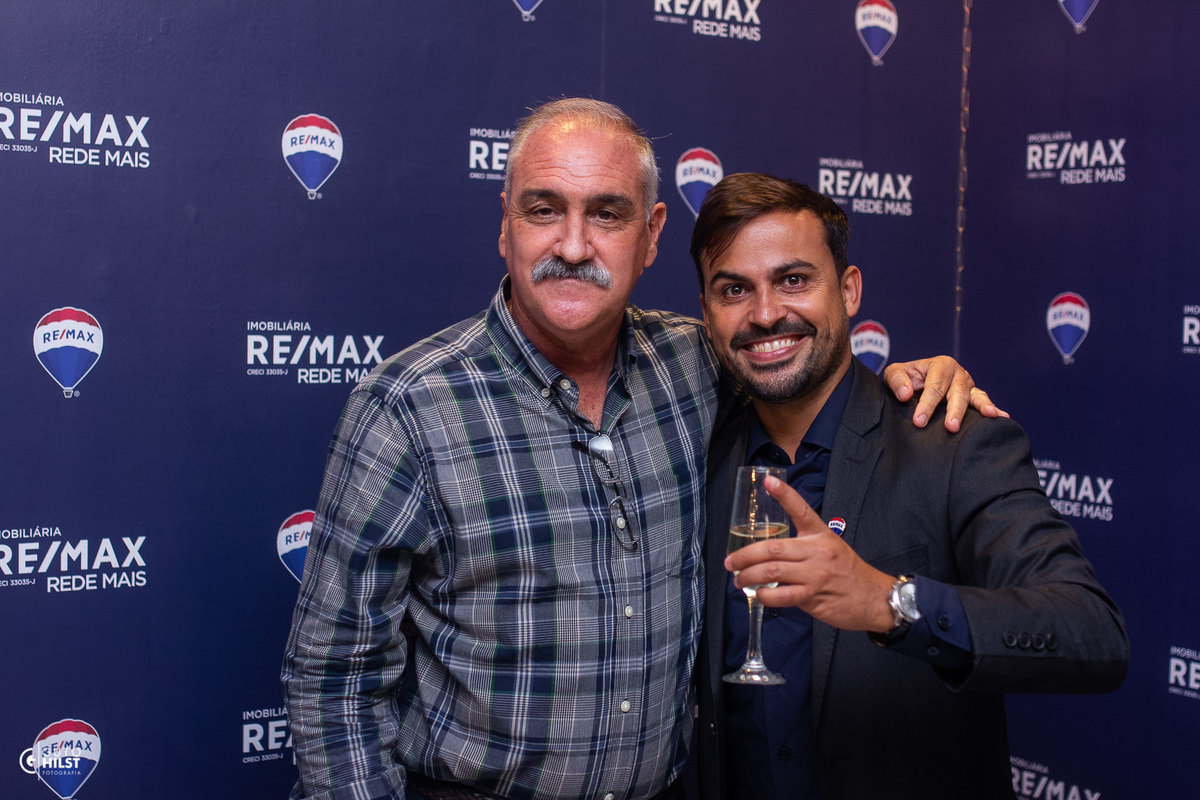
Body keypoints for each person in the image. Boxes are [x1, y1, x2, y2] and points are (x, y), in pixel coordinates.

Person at [281, 99, 995, 800]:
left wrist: (909, 381)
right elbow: (333, 676)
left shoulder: (696, 362)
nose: (572, 246)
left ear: (651, 236)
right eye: (543, 210)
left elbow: (799, 363)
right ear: (505, 224)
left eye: (606, 214)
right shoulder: (407, 407)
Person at [688, 173, 1130, 800]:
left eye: (794, 280)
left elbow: (1092, 634)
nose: (765, 314)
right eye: (734, 289)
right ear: (707, 311)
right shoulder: (695, 453)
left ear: (848, 290)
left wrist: (889, 602)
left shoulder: (951, 441)